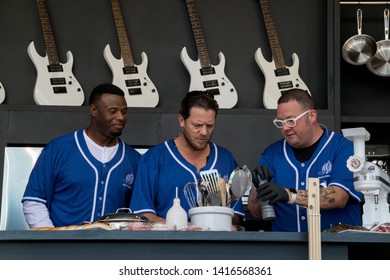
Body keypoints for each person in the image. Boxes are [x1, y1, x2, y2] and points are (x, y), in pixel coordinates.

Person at [22, 83, 142, 228]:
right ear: (93, 110)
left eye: (124, 111)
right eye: (113, 111)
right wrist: (52, 238)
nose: (120, 117)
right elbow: (34, 201)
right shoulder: (58, 149)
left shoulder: (135, 160)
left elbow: (139, 215)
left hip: (113, 249)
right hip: (63, 246)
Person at [247, 88, 362, 232]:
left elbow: (339, 197)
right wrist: (257, 188)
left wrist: (288, 195)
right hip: (286, 248)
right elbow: (256, 211)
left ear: (312, 116)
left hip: (335, 247)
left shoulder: (343, 147)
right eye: (280, 122)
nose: (285, 128)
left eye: (291, 120)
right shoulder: (271, 154)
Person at [130, 91, 245, 225]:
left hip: (215, 244)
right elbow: (142, 215)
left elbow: (237, 216)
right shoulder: (154, 158)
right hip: (167, 244)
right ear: (181, 121)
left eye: (209, 126)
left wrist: (215, 218)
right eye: (197, 125)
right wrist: (184, 227)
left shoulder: (225, 159)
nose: (204, 132)